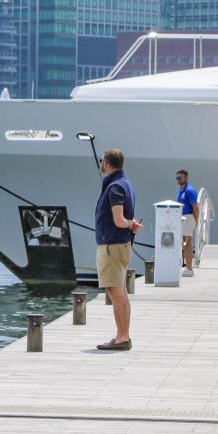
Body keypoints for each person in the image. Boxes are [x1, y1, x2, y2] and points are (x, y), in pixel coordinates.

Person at [94, 147, 141, 350]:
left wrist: (130, 224)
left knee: (116, 292)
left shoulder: (114, 188)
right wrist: (131, 224)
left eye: (101, 160)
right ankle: (123, 335)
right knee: (120, 291)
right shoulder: (126, 184)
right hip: (120, 244)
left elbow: (119, 220)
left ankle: (122, 337)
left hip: (112, 246)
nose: (100, 163)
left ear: (106, 162)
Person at [175, 169, 199, 277]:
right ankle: (186, 267)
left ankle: (189, 268)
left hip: (188, 218)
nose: (178, 180)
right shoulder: (181, 190)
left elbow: (195, 208)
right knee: (184, 243)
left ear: (186, 178)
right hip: (182, 219)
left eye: (180, 177)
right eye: (177, 178)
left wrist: (196, 221)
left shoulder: (189, 190)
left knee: (187, 243)